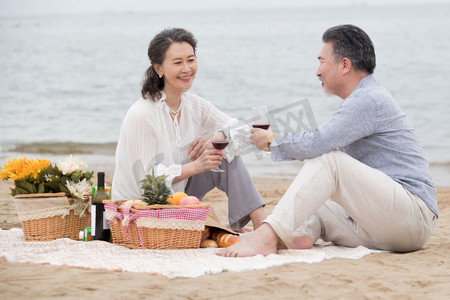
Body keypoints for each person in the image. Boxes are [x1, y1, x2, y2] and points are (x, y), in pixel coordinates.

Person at [218, 24, 438, 257]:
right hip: (385, 227)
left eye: (322, 61)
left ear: (344, 65)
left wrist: (272, 141)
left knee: (329, 161)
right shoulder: (359, 100)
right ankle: (295, 236)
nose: (317, 71)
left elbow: (319, 142)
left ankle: (265, 237)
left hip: (411, 217)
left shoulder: (369, 99)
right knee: (314, 202)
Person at [112, 28, 266, 230]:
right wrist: (195, 167)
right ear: (158, 68)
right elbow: (147, 181)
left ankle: (261, 222)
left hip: (178, 196)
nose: (186, 69)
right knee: (218, 150)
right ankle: (261, 226)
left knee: (223, 148)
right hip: (141, 208)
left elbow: (246, 133)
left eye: (190, 60)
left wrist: (218, 135)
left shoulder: (194, 105)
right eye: (177, 63)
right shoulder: (143, 114)